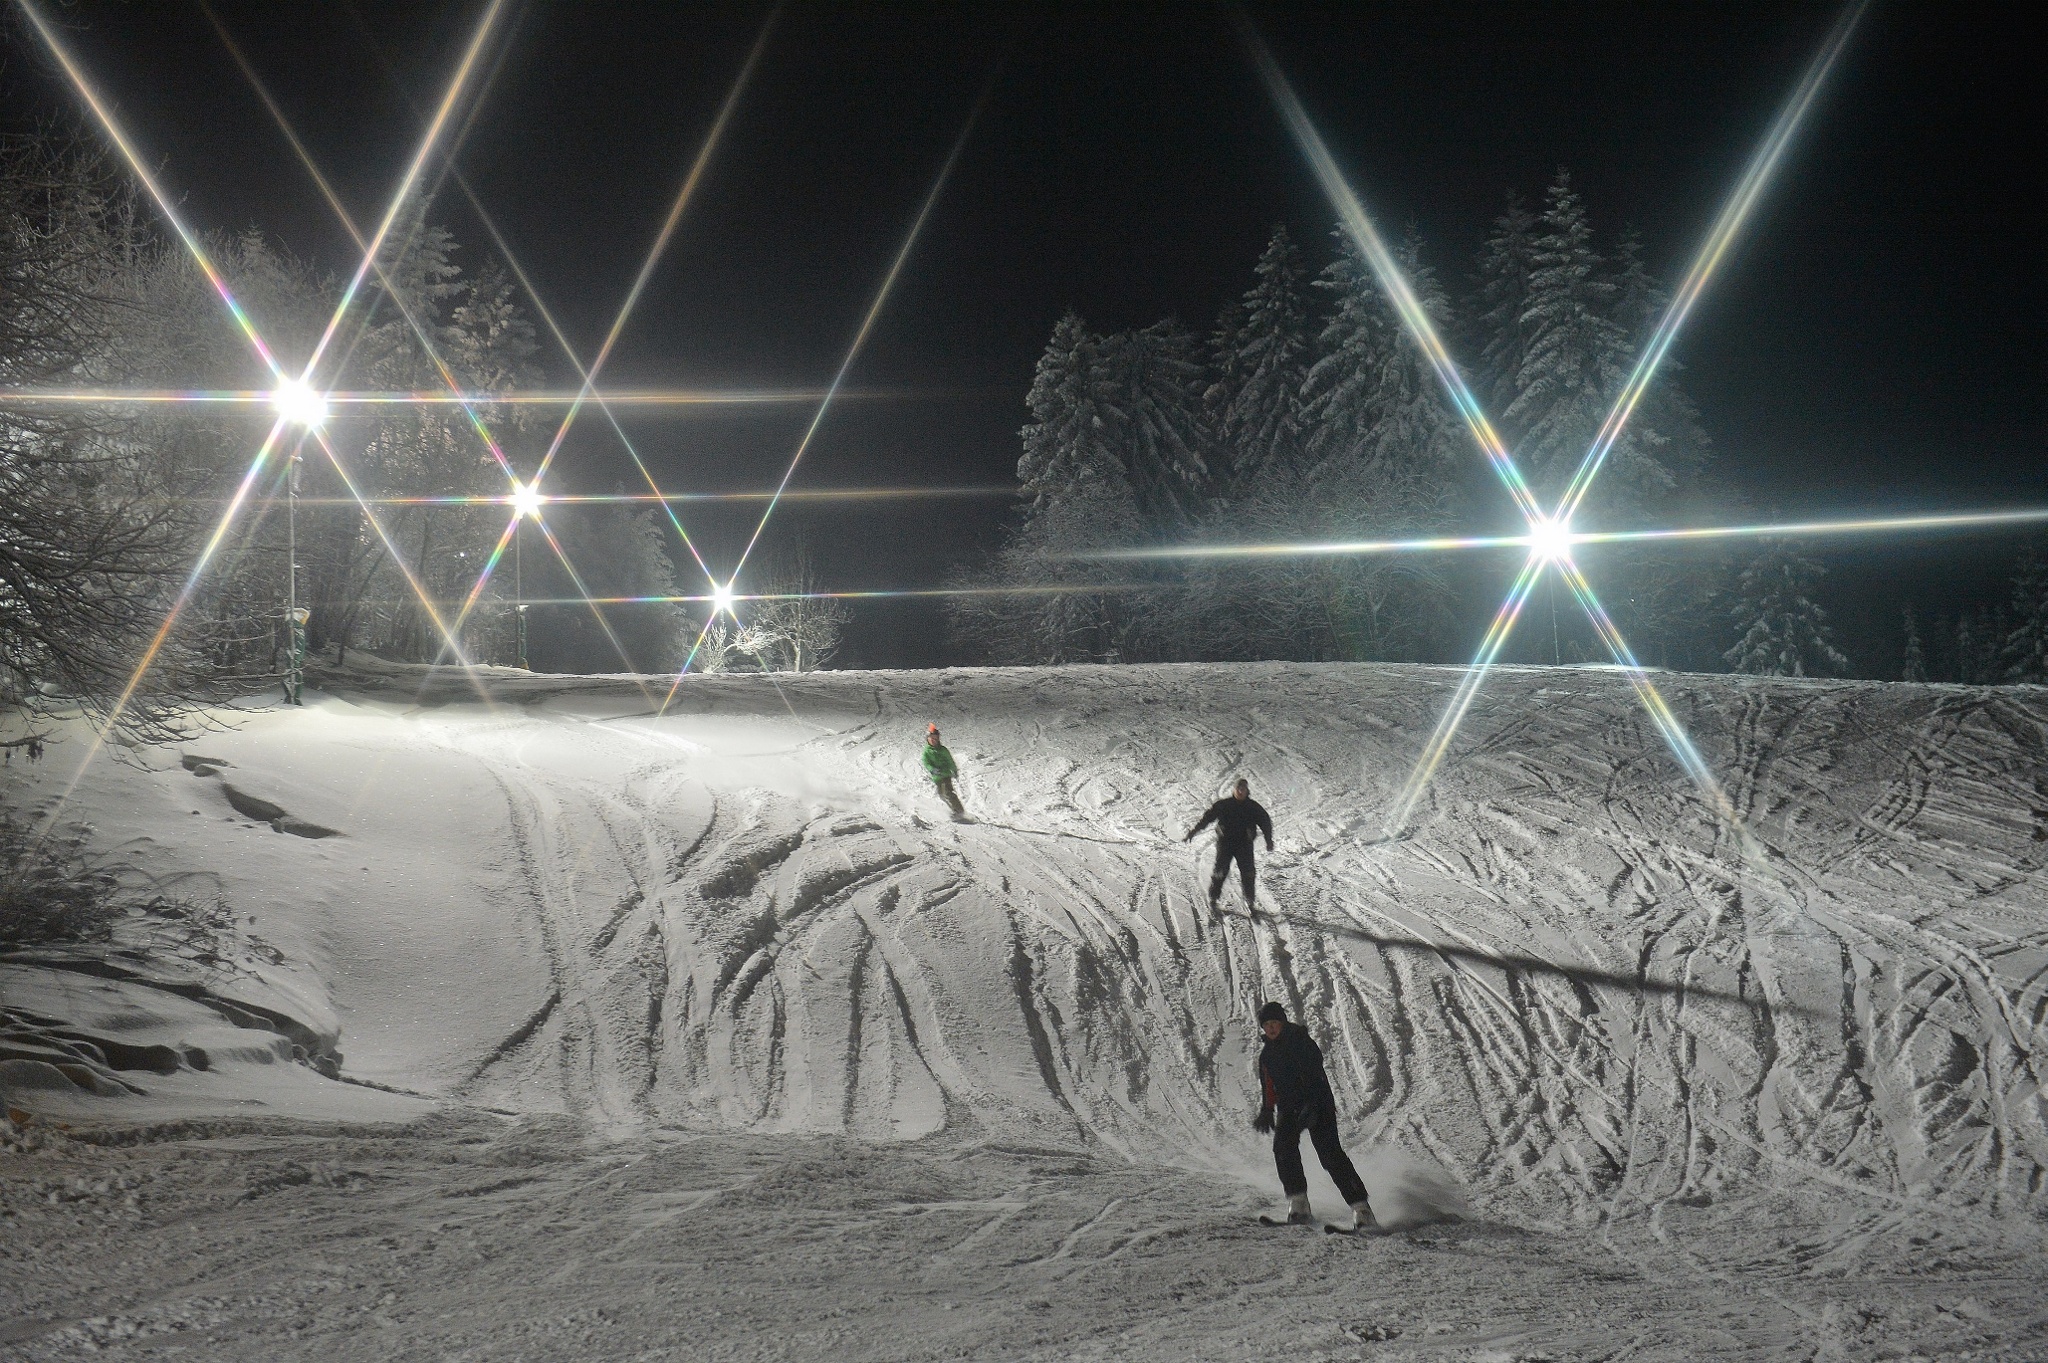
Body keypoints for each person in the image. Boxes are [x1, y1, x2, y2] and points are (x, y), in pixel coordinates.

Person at [1253, 1000, 1374, 1230]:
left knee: (1330, 1155)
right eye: (1266, 1024)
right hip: (1290, 1108)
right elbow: (1268, 1085)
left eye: (1275, 1023)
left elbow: (1314, 1070)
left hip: (1318, 1104)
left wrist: (1312, 1102)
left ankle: (1362, 1210)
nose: (1271, 1028)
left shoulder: (1300, 1041)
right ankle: (1298, 1205)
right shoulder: (1267, 1055)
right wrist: (1267, 1110)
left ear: (1283, 1022)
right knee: (1283, 1148)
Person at [1184, 777, 1272, 914]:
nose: (1241, 791)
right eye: (1239, 788)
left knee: (1248, 873)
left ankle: (1250, 901)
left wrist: (1269, 840)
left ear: (1247, 790)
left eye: (1243, 788)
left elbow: (1265, 822)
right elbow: (1207, 818)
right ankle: (1213, 898)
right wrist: (1193, 831)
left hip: (1245, 844)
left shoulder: (1253, 807)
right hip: (1226, 843)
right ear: (1234, 789)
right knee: (1220, 871)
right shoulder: (1224, 805)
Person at [921, 723, 965, 818]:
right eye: (931, 738)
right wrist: (932, 769)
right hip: (937, 777)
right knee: (942, 795)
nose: (933, 740)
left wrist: (954, 770)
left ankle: (959, 811)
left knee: (949, 792)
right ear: (927, 739)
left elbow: (950, 760)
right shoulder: (926, 752)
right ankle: (954, 809)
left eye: (935, 739)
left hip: (945, 774)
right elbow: (926, 762)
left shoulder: (943, 750)